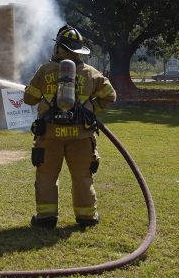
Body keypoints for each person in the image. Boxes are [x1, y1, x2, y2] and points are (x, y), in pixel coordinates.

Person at [23, 25, 116, 229]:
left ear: (58, 48)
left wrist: (41, 91)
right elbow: (111, 95)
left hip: (49, 135)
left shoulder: (45, 70)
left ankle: (46, 218)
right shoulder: (91, 73)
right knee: (83, 177)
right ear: (78, 50)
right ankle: (87, 217)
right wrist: (92, 108)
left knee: (47, 176)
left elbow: (29, 98)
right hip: (81, 136)